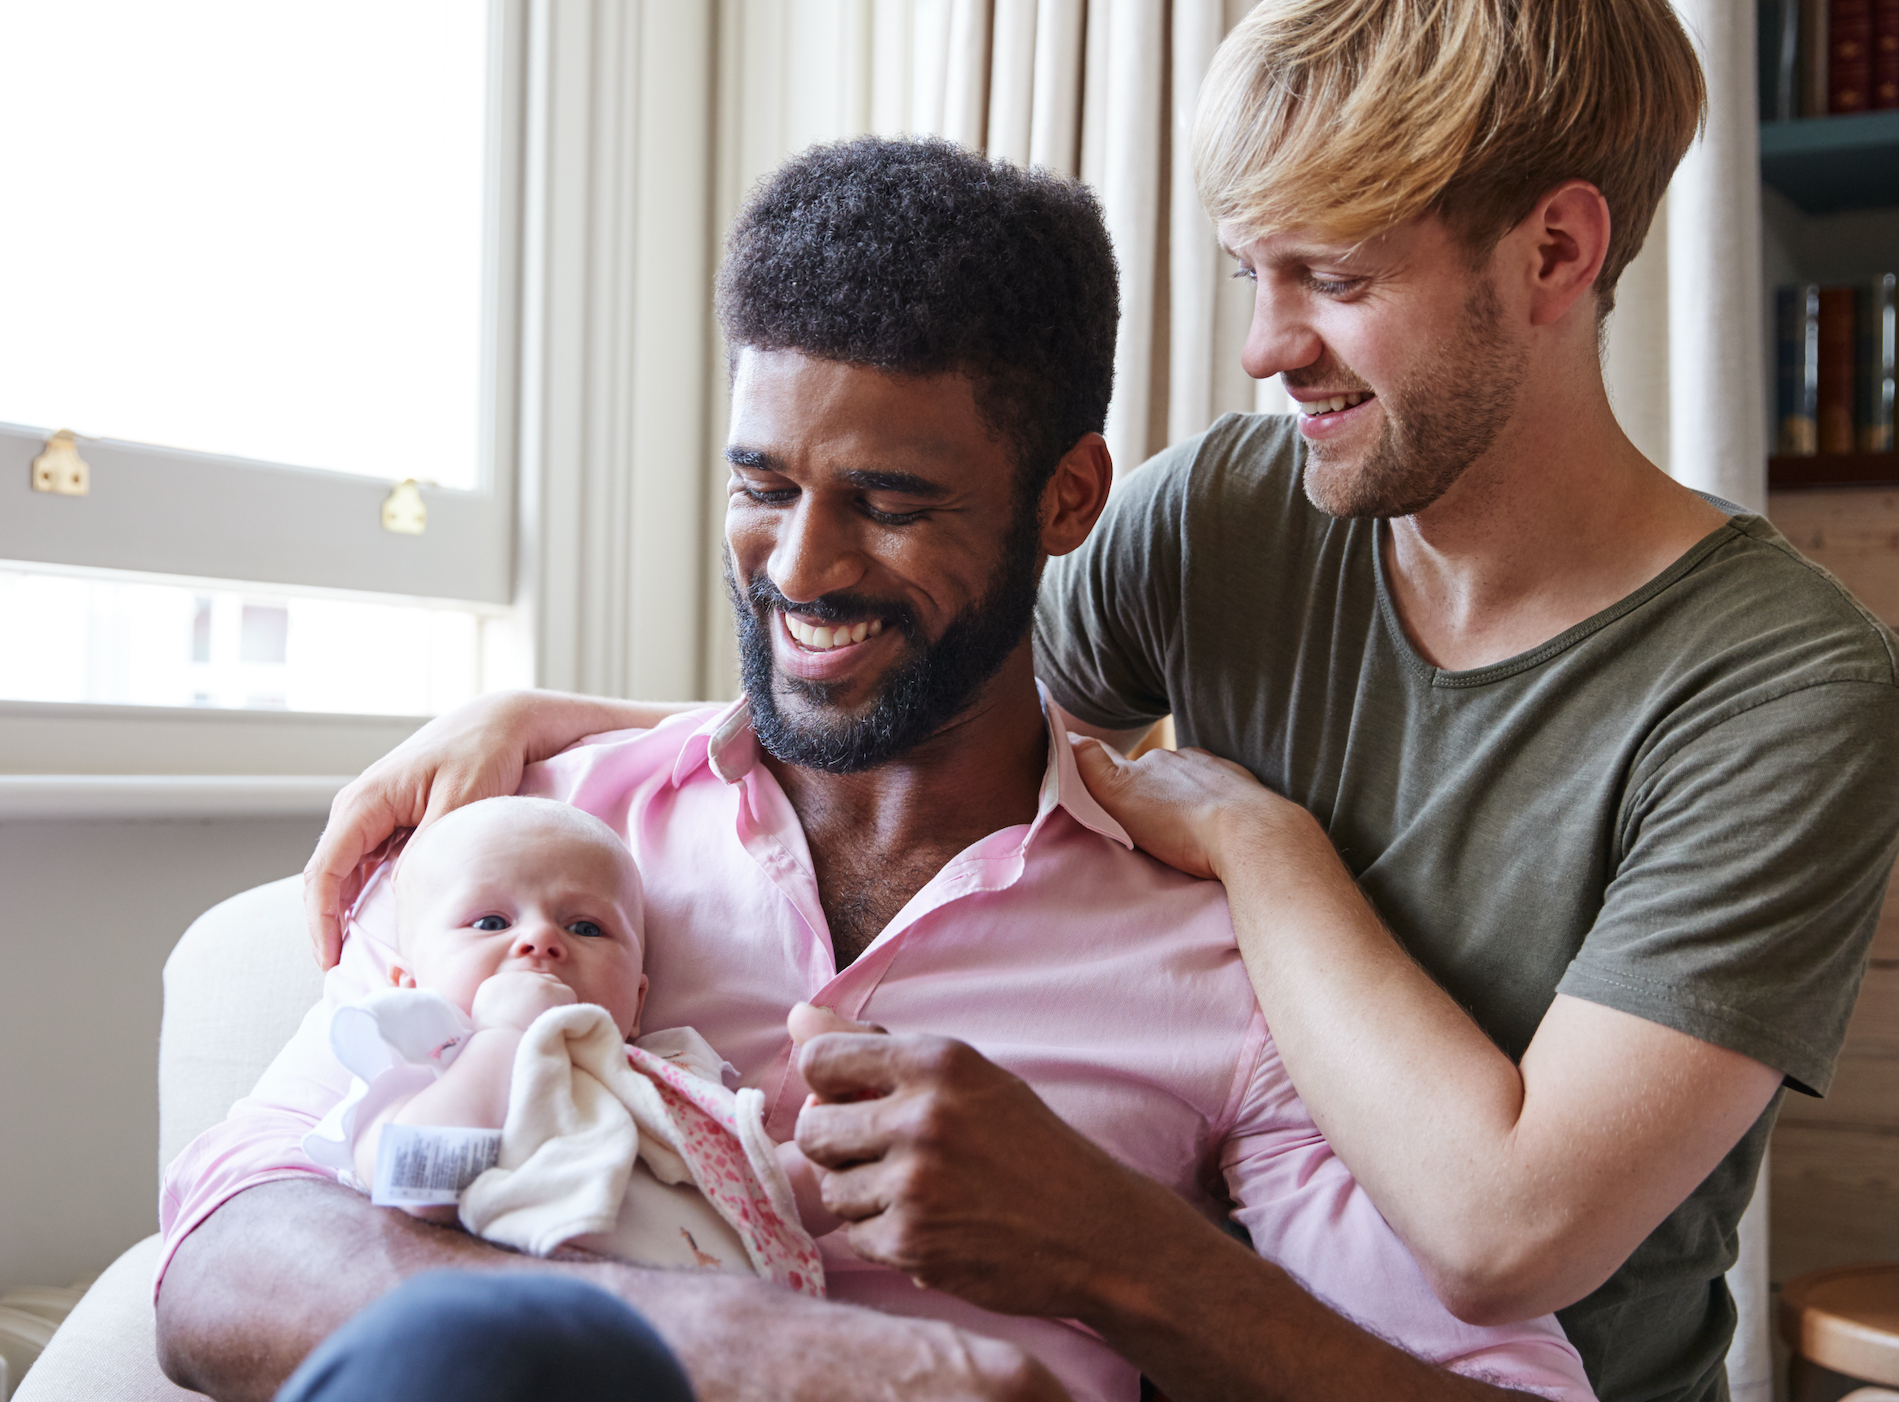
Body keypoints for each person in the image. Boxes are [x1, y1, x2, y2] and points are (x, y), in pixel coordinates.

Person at [297, 4, 1899, 1400]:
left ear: (1554, 251)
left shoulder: (1776, 689)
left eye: (1332, 276)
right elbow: (941, 681)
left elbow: (1505, 1233)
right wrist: (569, 719)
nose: (1269, 348)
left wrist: (1261, 847)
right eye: (1249, 272)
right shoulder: (1236, 509)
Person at [158, 138, 1599, 1402]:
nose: (800, 568)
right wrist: (777, 1355)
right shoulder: (537, 834)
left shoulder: (1214, 958)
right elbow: (224, 1257)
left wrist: (1120, 1255)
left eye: (890, 505)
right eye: (760, 487)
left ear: (1067, 500)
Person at [300, 796, 825, 1284]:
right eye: (490, 922)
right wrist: (504, 1036)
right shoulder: (420, 1066)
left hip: (718, 1342)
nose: (542, 940)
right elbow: (419, 1185)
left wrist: (828, 1160)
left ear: (636, 1006)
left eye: (587, 928)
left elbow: (755, 1192)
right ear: (409, 985)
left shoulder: (670, 1074)